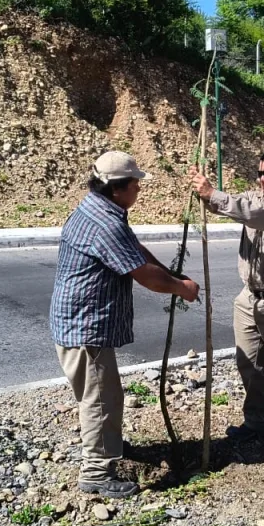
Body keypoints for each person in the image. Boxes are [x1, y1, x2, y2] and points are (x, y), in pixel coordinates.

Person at [50, 150, 200, 498]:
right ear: (118, 189)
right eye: (135, 184)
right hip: (84, 327)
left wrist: (172, 273)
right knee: (100, 398)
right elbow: (144, 275)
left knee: (105, 395)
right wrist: (181, 288)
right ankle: (96, 473)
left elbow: (134, 249)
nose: (139, 190)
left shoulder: (99, 209)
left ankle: (108, 443)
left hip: (79, 323)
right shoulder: (104, 223)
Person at [189, 147, 264, 462]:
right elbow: (233, 206)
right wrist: (204, 192)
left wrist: (215, 194)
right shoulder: (255, 198)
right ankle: (256, 422)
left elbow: (260, 216)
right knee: (249, 365)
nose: (263, 179)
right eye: (260, 173)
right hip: (249, 298)